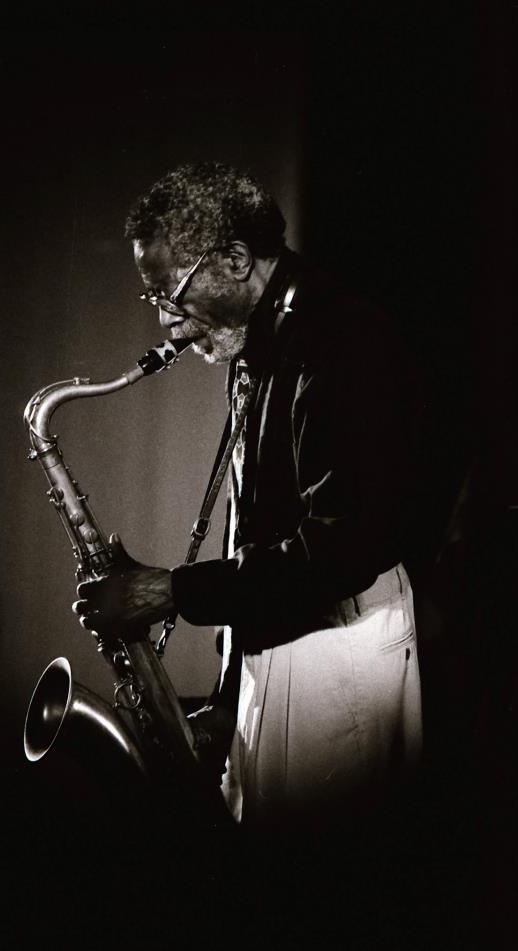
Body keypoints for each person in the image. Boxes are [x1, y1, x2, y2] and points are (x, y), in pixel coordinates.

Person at [73, 160, 423, 842]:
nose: (169, 324)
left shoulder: (337, 337)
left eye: (169, 292)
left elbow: (343, 547)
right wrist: (232, 705)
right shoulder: (269, 342)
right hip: (296, 642)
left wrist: (171, 593)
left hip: (334, 651)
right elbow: (269, 539)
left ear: (235, 258)